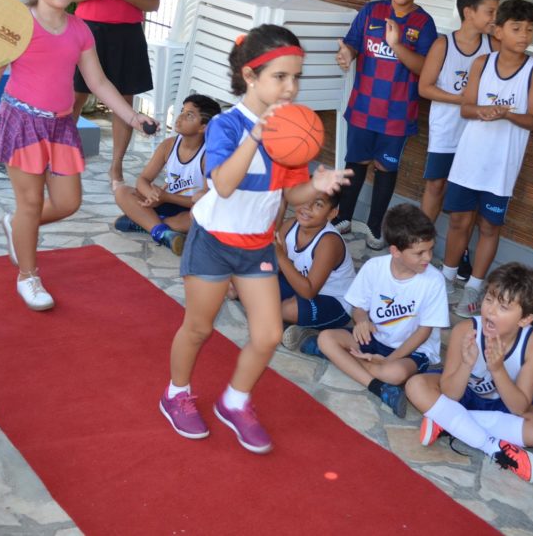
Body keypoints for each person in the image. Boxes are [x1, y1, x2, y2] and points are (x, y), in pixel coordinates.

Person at [159, 25, 350, 454]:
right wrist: (257, 136)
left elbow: (292, 193)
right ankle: (175, 394)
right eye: (280, 77)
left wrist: (319, 183)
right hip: (213, 240)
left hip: (257, 245)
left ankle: (235, 401)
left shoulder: (294, 128)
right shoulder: (226, 126)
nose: (291, 87)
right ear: (251, 76)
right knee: (198, 327)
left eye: (296, 77)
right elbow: (223, 184)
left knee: (266, 336)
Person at [0, 0, 155, 311]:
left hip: (59, 126)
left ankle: (17, 225)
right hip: (21, 121)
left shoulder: (80, 29)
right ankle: (28, 275)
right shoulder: (17, 23)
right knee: (31, 201)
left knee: (69, 203)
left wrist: (133, 117)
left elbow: (99, 82)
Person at [439, 0, 533, 318]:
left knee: (488, 225)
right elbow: (466, 107)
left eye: (529, 29)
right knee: (459, 220)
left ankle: (473, 286)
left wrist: (507, 115)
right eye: (516, 28)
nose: (524, 35)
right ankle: (446, 277)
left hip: (501, 167)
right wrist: (483, 110)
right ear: (498, 30)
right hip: (469, 159)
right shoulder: (482, 64)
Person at [405, 262, 533, 482]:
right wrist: (466, 364)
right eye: (489, 300)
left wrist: (498, 369)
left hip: (503, 405)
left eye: (503, 307)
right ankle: (492, 446)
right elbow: (451, 394)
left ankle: (447, 421)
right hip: (462, 396)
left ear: (525, 319)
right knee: (415, 385)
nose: (490, 310)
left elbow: (519, 406)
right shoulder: (465, 330)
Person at [333, 0, 437, 249]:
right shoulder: (371, 11)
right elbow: (352, 43)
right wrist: (346, 55)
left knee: (385, 168)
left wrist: (396, 45)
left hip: (398, 112)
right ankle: (344, 216)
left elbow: (423, 68)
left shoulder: (424, 23)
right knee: (355, 161)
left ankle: (376, 227)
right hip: (364, 104)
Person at [316, 203, 449, 418]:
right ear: (395, 251)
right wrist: (361, 321)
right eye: (419, 253)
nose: (428, 258)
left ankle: (344, 360)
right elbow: (359, 308)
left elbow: (423, 333)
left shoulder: (434, 281)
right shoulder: (374, 267)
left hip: (411, 350)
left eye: (430, 249)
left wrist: (389, 359)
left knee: (394, 373)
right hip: (376, 340)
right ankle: (376, 386)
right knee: (326, 338)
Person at [72, 0, 161, 189]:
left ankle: (116, 166)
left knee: (123, 102)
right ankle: (63, 158)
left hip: (126, 36)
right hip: (88, 32)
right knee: (74, 97)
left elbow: (153, 2)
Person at [417, 0, 500, 279]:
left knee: (465, 195)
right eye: (490, 11)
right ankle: (419, 247)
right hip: (445, 130)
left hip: (477, 135)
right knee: (436, 185)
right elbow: (424, 87)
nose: (494, 18)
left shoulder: (493, 47)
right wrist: (461, 100)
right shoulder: (444, 44)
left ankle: (458, 251)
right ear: (469, 12)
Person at [113, 94, 220, 254]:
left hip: (188, 208)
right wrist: (152, 195)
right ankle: (162, 232)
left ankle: (145, 224)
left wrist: (166, 197)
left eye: (189, 115)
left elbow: (206, 200)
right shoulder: (168, 145)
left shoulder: (209, 155)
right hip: (164, 202)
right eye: (182, 111)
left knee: (203, 217)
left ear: (203, 127)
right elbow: (143, 179)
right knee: (122, 192)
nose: (180, 117)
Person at [275, 189, 356, 352]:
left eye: (318, 204)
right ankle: (287, 323)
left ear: (332, 213)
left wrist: (280, 256)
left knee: (286, 309)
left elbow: (308, 291)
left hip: (334, 302)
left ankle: (305, 331)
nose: (307, 207)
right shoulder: (291, 225)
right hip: (299, 284)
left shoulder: (329, 242)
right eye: (305, 199)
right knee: (254, 283)